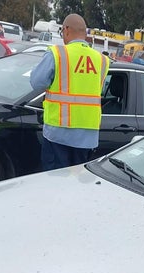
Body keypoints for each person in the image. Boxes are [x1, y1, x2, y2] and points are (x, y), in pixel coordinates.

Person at [29, 14, 110, 170]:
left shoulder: (58, 53)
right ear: (84, 33)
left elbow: (36, 82)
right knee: (77, 185)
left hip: (58, 133)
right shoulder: (102, 60)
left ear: (66, 30)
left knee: (55, 183)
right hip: (88, 137)